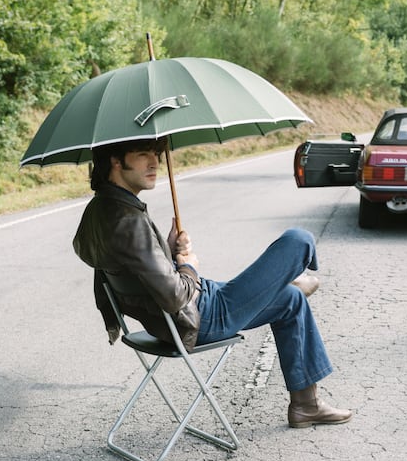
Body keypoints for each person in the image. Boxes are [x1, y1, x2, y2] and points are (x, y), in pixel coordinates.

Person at [73, 138, 352, 428]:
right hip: (201, 317)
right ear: (116, 162)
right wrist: (188, 265)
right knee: (299, 240)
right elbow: (175, 296)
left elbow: (134, 266)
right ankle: (292, 280)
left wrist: (166, 251)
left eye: (156, 154)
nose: (154, 162)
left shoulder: (101, 209)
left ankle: (306, 406)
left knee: (291, 303)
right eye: (143, 155)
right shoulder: (127, 220)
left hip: (170, 319)